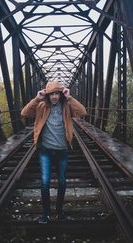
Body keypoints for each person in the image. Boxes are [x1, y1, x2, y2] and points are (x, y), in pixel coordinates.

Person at [21, 81, 86, 224]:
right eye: (52, 94)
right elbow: (24, 113)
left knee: (62, 182)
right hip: (46, 151)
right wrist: (37, 98)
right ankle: (45, 213)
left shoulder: (67, 106)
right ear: (48, 95)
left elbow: (82, 112)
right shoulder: (41, 106)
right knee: (45, 182)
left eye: (57, 93)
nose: (55, 97)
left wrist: (70, 98)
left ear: (61, 95)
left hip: (62, 150)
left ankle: (59, 211)